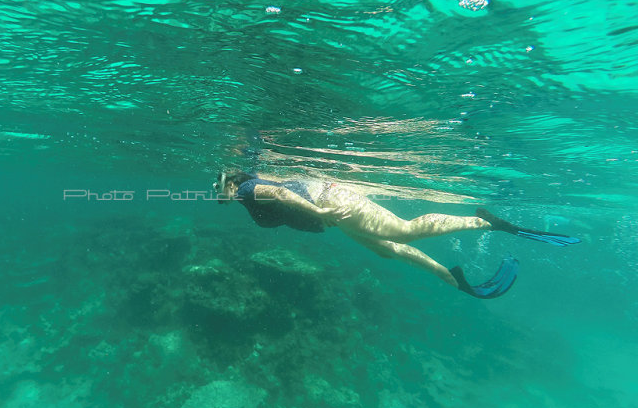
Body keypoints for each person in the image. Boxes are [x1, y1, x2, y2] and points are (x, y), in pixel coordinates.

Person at [213, 172, 580, 298]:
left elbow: (281, 194)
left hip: (333, 205)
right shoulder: (250, 191)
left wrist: (319, 211)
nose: (216, 192)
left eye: (219, 185)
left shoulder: (248, 189)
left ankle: (485, 222)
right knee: (387, 251)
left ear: (233, 182)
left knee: (404, 232)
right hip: (335, 208)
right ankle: (448, 276)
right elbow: (283, 190)